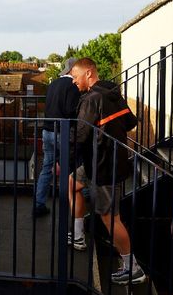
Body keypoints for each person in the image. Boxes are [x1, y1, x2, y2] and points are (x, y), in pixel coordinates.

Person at [69, 58, 144, 285]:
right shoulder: (112, 93)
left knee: (110, 219)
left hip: (103, 166)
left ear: (89, 73)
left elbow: (80, 135)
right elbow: (130, 122)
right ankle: (78, 234)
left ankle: (133, 268)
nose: (73, 82)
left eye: (75, 77)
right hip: (102, 161)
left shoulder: (92, 98)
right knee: (73, 184)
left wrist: (65, 156)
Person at [33, 57, 80, 217]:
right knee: (71, 168)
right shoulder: (73, 86)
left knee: (47, 168)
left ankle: (39, 204)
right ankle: (69, 206)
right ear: (73, 71)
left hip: (47, 131)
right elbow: (70, 111)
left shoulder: (53, 83)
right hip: (62, 132)